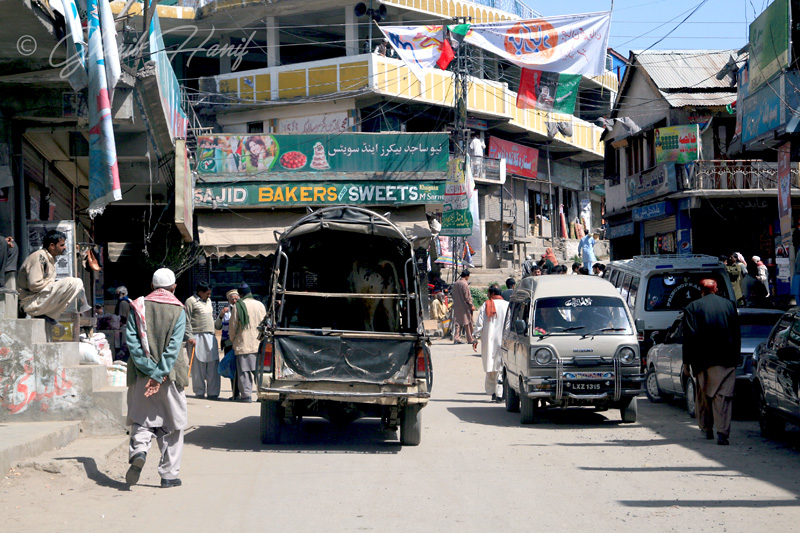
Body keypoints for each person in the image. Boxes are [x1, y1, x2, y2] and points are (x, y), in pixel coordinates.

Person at [124, 268, 188, 488]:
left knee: (141, 418)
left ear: (151, 286)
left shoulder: (137, 307)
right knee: (173, 425)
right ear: (173, 288)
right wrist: (160, 374)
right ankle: (169, 475)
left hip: (141, 375)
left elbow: (132, 344)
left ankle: (139, 450)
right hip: (170, 376)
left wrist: (149, 371)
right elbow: (173, 347)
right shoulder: (179, 310)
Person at [681, 279, 740, 446]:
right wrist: (736, 357)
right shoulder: (729, 305)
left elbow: (689, 337)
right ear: (717, 289)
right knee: (723, 397)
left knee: (704, 396)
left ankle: (706, 429)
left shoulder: (692, 307)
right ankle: (723, 433)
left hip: (702, 361)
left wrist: (687, 362)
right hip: (726, 360)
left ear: (701, 291)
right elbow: (736, 333)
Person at [18, 230, 90, 326]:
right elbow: (34, 285)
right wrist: (53, 285)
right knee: (74, 282)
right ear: (52, 246)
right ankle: (41, 312)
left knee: (75, 286)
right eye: (62, 245)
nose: (64, 247)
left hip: (37, 299)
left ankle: (47, 314)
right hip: (29, 302)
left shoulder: (49, 258)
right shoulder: (40, 256)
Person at [229, 283, 267, 402]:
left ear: (240, 294)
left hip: (243, 343)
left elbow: (233, 326)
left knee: (244, 372)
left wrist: (233, 340)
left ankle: (246, 396)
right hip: (259, 343)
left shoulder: (238, 306)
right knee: (259, 372)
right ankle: (262, 395)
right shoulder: (260, 304)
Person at [472, 286, 510, 402]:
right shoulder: (507, 305)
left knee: (491, 365)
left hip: (488, 341)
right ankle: (499, 394)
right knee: (500, 366)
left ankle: (494, 392)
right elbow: (508, 325)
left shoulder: (486, 305)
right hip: (502, 341)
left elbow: (480, 323)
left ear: (492, 293)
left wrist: (475, 338)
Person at [184, 282, 220, 400]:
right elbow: (186, 320)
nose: (209, 296)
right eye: (207, 293)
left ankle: (213, 392)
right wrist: (189, 336)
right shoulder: (190, 301)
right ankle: (199, 392)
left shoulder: (209, 302)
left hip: (210, 336)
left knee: (213, 365)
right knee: (197, 366)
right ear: (200, 293)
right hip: (196, 337)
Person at [215, 289, 240, 400]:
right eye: (232, 299)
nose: (234, 301)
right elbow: (217, 326)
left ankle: (244, 393)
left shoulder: (241, 309)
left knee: (243, 369)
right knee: (232, 369)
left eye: (236, 298)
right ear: (228, 300)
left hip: (239, 344)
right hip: (228, 343)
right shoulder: (225, 311)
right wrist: (221, 316)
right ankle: (235, 394)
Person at [451, 270, 475, 344]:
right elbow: (467, 297)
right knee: (467, 322)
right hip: (465, 305)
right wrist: (471, 305)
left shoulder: (456, 283)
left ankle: (456, 338)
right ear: (467, 276)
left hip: (457, 305)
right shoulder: (464, 284)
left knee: (457, 322)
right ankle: (470, 339)